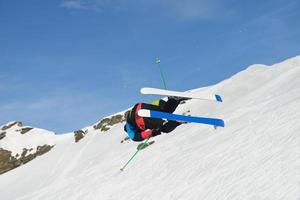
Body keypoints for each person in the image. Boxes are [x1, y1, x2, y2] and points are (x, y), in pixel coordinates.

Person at [123, 97, 188, 142]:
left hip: (140, 118)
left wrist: (152, 132)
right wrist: (167, 103)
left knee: (163, 128)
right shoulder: (131, 115)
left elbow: (136, 137)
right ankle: (174, 100)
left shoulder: (128, 127)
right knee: (166, 111)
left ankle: (177, 122)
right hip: (142, 106)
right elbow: (158, 102)